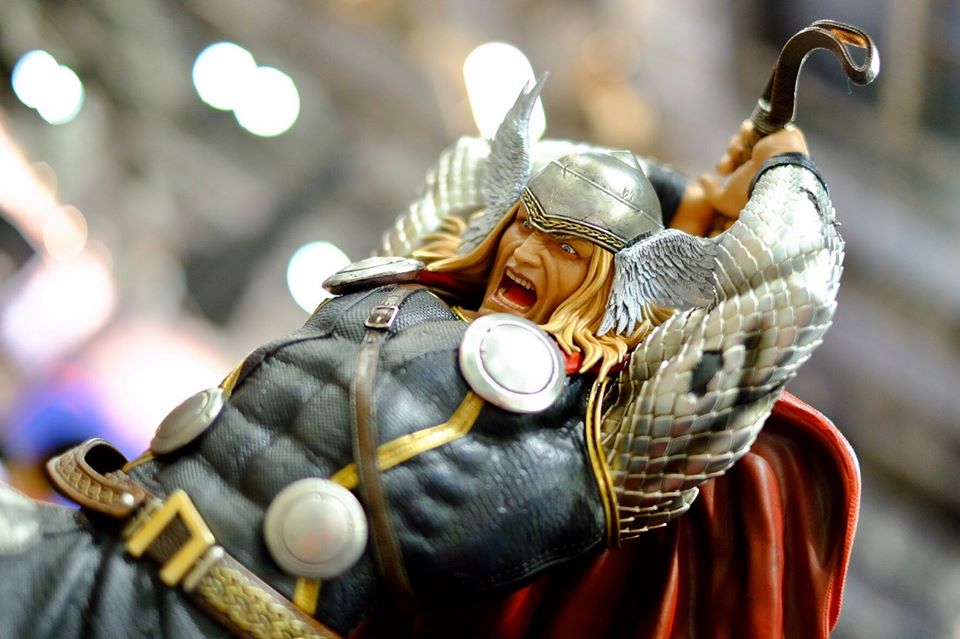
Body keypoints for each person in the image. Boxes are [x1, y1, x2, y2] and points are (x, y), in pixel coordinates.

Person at [0, 79, 855, 639]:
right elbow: (472, 165)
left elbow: (784, 298)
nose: (527, 250)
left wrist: (784, 172)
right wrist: (681, 196)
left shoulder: (586, 440)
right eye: (524, 223)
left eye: (568, 245)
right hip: (88, 535)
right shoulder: (408, 284)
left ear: (618, 283)